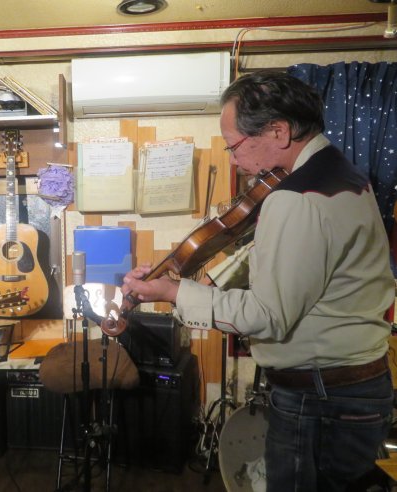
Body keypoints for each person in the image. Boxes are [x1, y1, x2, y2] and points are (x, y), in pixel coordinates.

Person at [121, 71, 395, 491]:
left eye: (234, 146)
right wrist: (205, 283)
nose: (234, 160)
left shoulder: (297, 199)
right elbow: (294, 267)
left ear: (279, 131)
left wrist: (173, 291)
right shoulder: (344, 175)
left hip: (320, 399)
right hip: (351, 388)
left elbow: (267, 315)